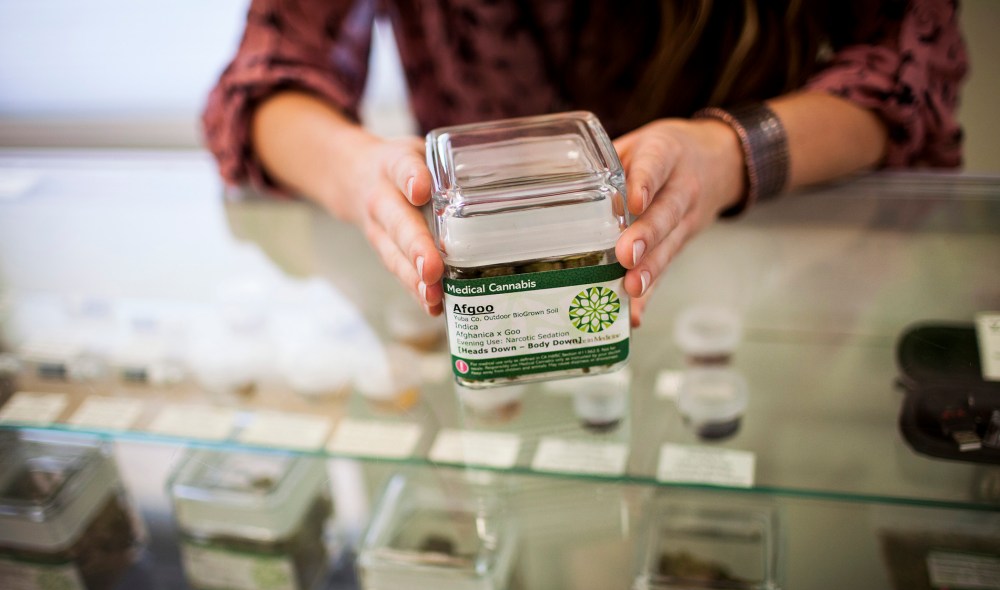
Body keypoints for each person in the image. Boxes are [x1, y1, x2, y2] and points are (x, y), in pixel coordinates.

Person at [202, 0, 967, 325]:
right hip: (495, 294)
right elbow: (264, 83)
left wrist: (728, 154)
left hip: (752, 283)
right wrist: (359, 172)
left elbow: (908, 70)